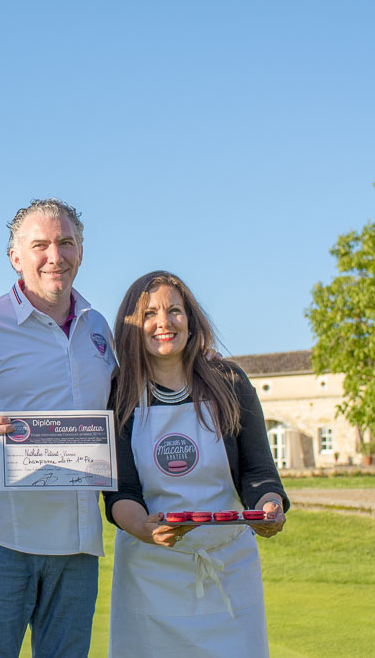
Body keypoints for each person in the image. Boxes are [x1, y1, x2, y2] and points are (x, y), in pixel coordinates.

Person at [0, 198, 115, 657]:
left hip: (79, 545)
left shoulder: (99, 328)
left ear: (81, 252)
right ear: (15, 257)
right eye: (40, 245)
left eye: (66, 243)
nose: (55, 256)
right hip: (1, 540)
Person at [102, 270, 288, 656]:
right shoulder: (119, 392)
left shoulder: (229, 381)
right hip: (149, 576)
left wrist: (268, 506)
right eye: (149, 313)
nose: (164, 322)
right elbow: (121, 491)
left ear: (190, 319)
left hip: (229, 572)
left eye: (174, 310)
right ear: (132, 325)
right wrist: (143, 528)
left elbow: (259, 473)